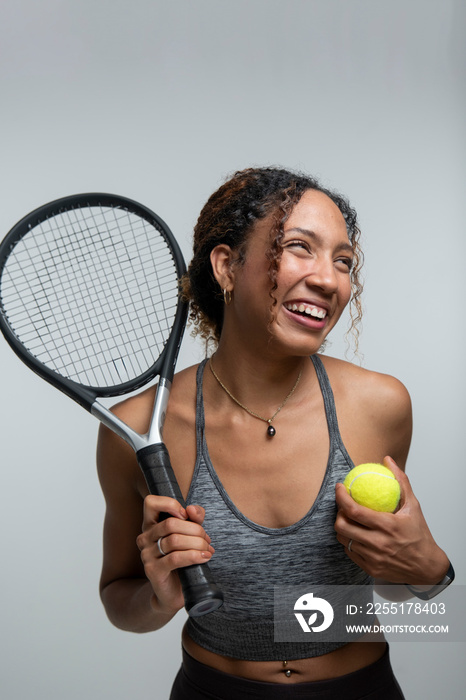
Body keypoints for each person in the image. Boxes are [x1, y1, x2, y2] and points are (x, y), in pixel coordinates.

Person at [97, 167, 452, 699]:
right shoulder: (138, 426)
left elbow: (392, 589)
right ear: (226, 267)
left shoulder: (380, 406)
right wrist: (158, 597)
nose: (329, 280)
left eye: (343, 261)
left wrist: (428, 570)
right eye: (299, 247)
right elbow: (118, 597)